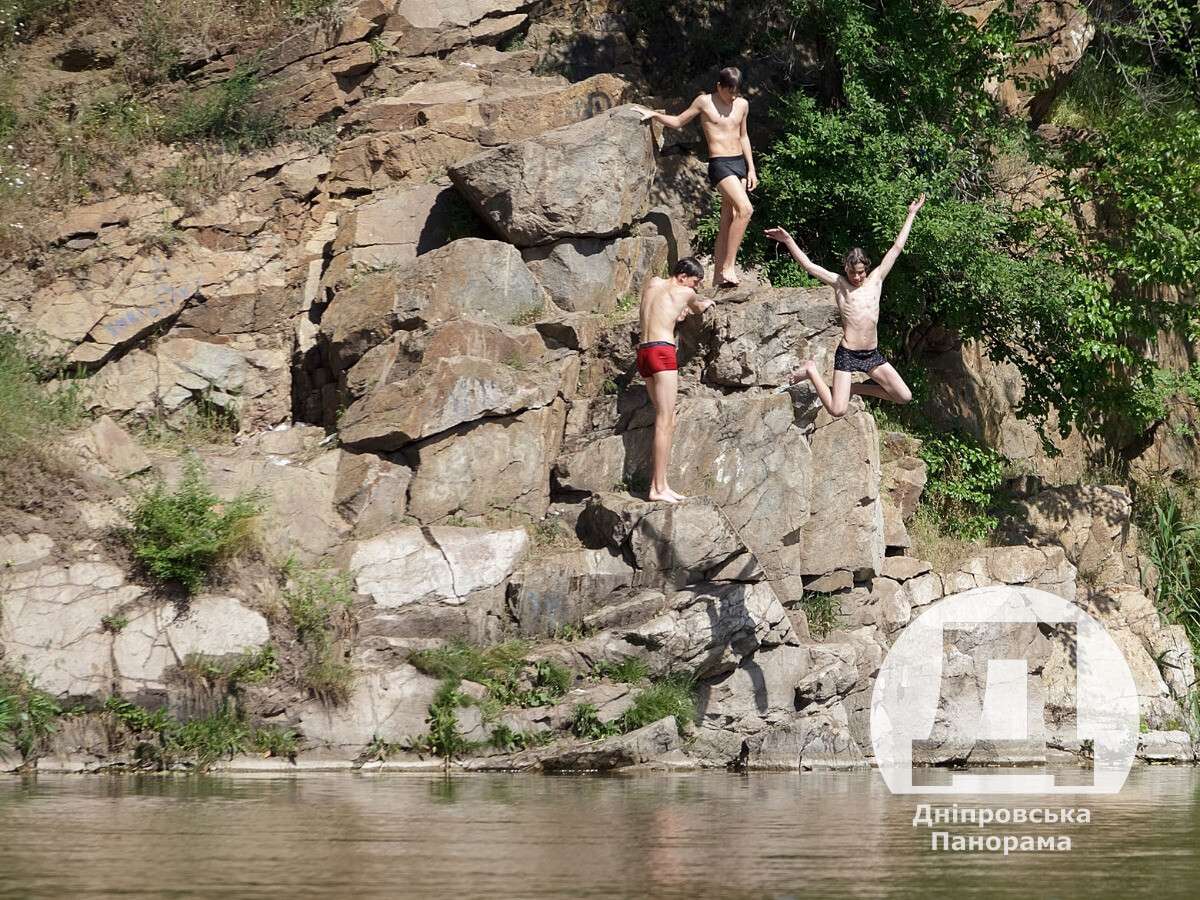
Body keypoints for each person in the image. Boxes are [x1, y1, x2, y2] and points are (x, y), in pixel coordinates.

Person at [763, 194, 926, 417]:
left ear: (866, 268)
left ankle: (855, 388)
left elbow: (897, 248)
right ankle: (811, 370)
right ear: (845, 269)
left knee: (903, 396)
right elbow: (809, 266)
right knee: (837, 409)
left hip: (871, 354)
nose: (856, 277)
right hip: (848, 354)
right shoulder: (839, 284)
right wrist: (788, 240)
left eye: (860, 272)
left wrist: (911, 214)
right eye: (852, 273)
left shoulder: (877, 279)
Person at [634, 67, 756, 288]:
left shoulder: (742, 105)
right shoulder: (704, 102)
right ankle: (729, 267)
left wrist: (751, 169)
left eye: (736, 92)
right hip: (720, 164)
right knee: (745, 209)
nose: (733, 97)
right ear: (719, 86)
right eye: (729, 92)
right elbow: (679, 121)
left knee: (728, 218)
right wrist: (654, 114)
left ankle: (718, 277)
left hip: (738, 162)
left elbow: (744, 136)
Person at [636, 257, 712, 503]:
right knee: (665, 420)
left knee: (665, 419)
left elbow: (658, 309)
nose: (696, 287)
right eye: (695, 281)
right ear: (682, 276)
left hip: (644, 352)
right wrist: (706, 302)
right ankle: (658, 487)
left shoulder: (653, 283)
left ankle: (661, 484)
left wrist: (677, 312)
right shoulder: (686, 292)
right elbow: (697, 307)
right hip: (662, 351)